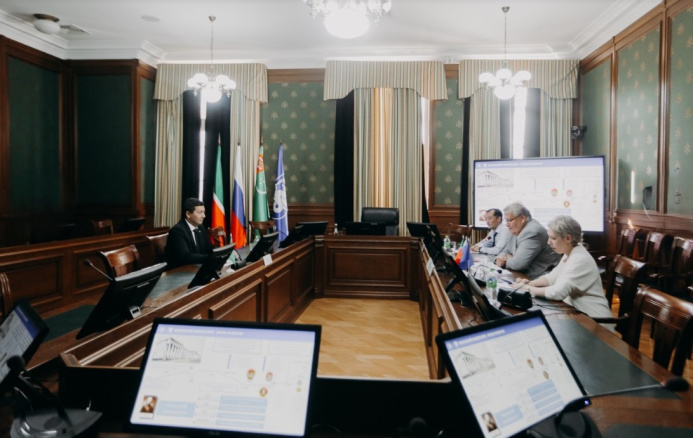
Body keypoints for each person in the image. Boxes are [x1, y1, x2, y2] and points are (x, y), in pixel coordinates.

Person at [511, 215, 613, 321]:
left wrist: (527, 289)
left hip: (595, 320)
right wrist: (530, 283)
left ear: (568, 238)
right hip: (577, 313)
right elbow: (552, 277)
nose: (548, 242)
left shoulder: (579, 259)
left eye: (553, 238)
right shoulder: (570, 252)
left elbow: (557, 293)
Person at [494, 203, 561, 278]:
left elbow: (517, 264)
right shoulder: (516, 229)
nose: (507, 224)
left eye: (509, 220)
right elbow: (505, 250)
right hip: (523, 275)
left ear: (522, 218)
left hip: (541, 277)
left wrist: (506, 260)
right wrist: (498, 259)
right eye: (506, 221)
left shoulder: (532, 231)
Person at [165, 198, 213, 268]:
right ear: (188, 214)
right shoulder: (177, 231)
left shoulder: (201, 227)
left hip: (196, 267)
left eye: (204, 212)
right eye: (200, 212)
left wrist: (220, 253)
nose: (204, 216)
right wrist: (211, 258)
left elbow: (209, 248)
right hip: (179, 270)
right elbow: (186, 257)